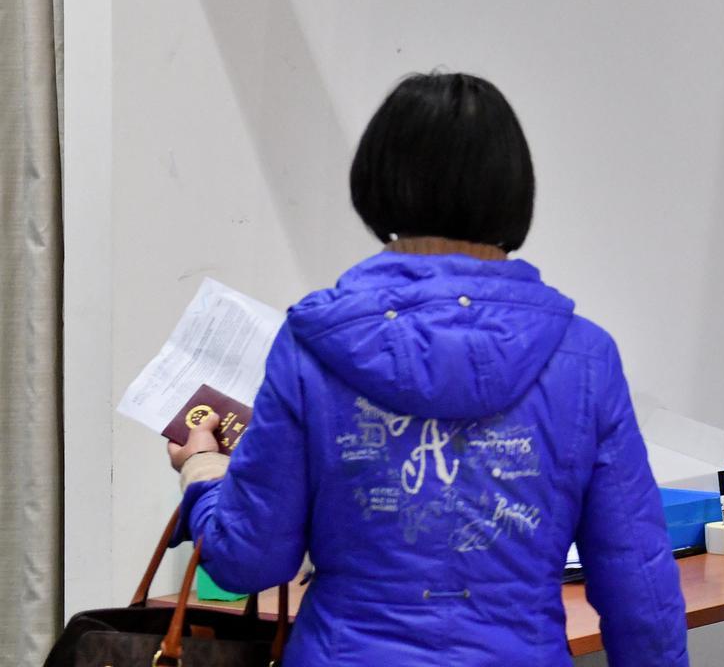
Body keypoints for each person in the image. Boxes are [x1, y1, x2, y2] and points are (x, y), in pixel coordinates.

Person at [167, 72, 689, 665]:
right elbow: (640, 591)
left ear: (376, 182)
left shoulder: (313, 346)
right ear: (516, 192)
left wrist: (204, 470)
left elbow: (246, 559)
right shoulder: (584, 358)